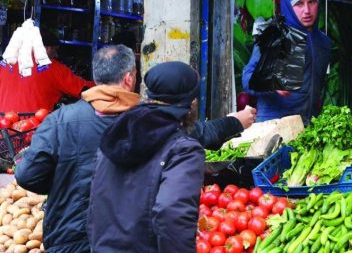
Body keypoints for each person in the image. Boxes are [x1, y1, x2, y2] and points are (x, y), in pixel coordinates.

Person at [15, 45, 255, 253]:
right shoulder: (144, 124)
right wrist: (235, 121)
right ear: (129, 79)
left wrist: (64, 182)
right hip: (125, 238)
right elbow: (171, 212)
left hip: (71, 236)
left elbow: (28, 175)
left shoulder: (61, 120)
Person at [87, 61, 203, 251]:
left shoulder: (115, 134)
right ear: (192, 103)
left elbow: (94, 199)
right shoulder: (183, 149)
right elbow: (172, 214)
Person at [242, 0, 332, 125]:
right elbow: (247, 78)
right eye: (299, 4)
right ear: (289, 6)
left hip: (306, 126)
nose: (307, 10)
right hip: (273, 125)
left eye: (312, 2)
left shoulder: (323, 43)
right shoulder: (275, 35)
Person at [0, 29, 94, 112]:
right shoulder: (53, 67)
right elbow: (84, 90)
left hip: (3, 127)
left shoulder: (5, 63)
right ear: (46, 48)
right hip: (34, 128)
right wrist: (105, 84)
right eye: (55, 50)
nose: (56, 55)